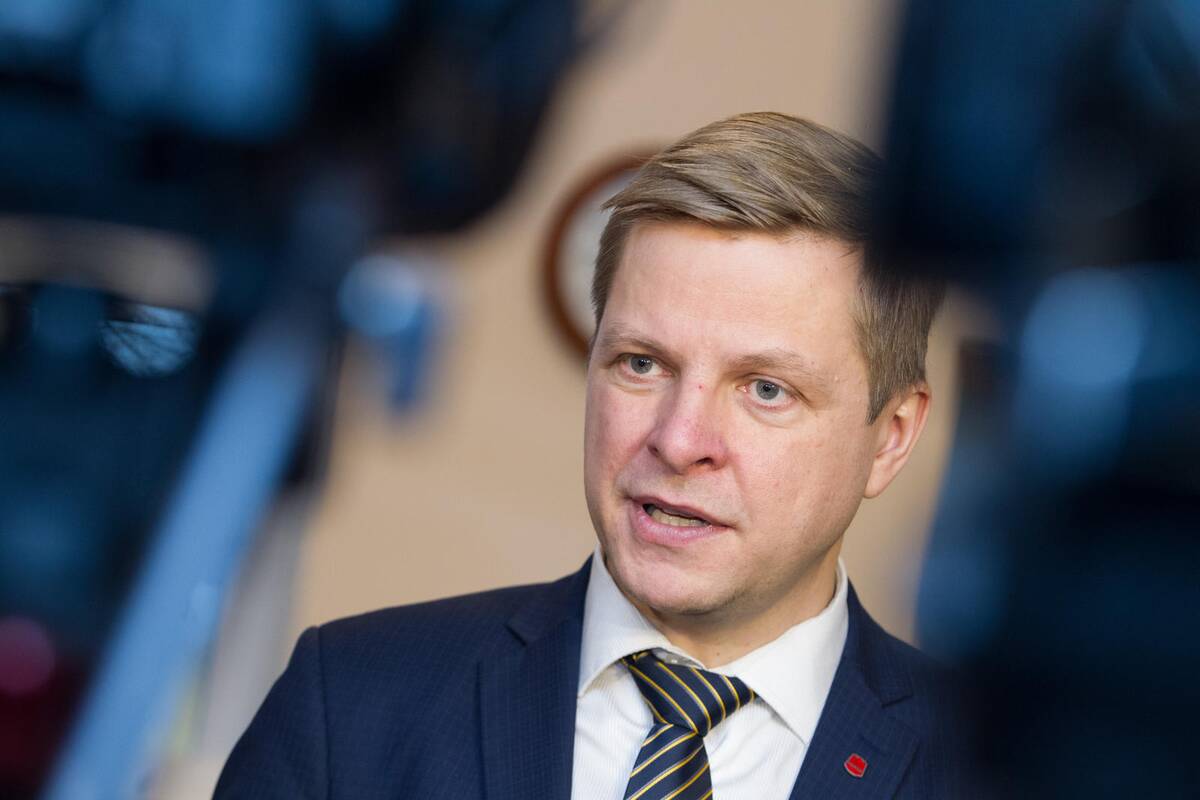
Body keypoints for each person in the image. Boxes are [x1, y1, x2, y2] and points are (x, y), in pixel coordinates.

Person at [215, 112, 956, 799]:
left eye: (766, 389)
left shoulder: (982, 775)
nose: (678, 440)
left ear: (890, 436)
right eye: (642, 364)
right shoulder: (347, 704)